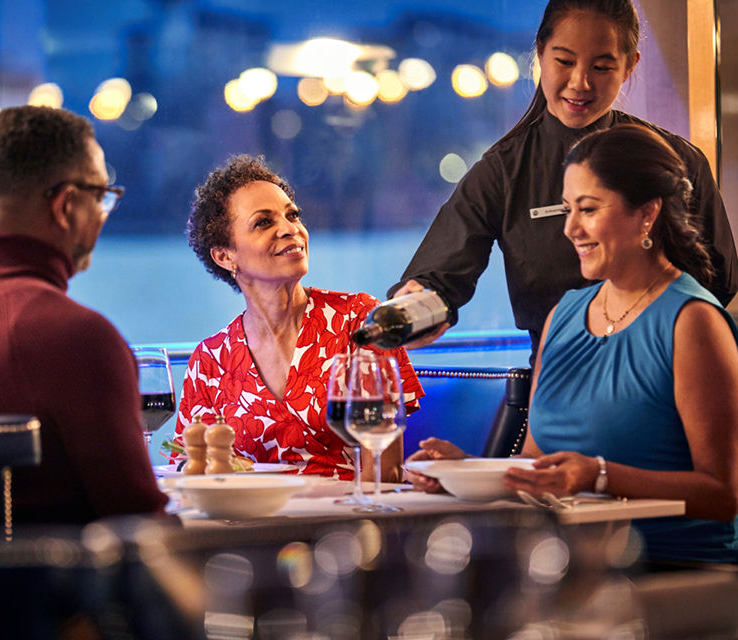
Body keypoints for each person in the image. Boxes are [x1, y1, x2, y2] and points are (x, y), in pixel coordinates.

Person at [408, 124, 738, 563]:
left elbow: (723, 493)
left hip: (673, 569)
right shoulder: (564, 314)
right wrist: (464, 472)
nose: (570, 229)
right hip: (568, 565)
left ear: (647, 213)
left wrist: (599, 476)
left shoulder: (692, 321)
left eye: (588, 209)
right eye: (567, 209)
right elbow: (539, 467)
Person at [389, 0, 738, 360]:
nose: (580, 82)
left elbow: (721, 288)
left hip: (667, 380)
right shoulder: (504, 171)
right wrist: (418, 304)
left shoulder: (678, 160)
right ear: (540, 53)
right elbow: (437, 280)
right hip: (556, 384)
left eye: (602, 66)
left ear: (630, 66)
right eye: (565, 61)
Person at [0, 106, 167, 524]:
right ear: (66, 206)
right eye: (101, 197)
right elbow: (142, 528)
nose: (103, 215)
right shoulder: (81, 339)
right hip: (64, 586)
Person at [175, 155, 424, 481]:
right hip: (249, 526)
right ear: (225, 256)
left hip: (346, 522)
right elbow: (191, 469)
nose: (290, 228)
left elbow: (385, 468)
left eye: (293, 215)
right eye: (264, 222)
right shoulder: (210, 361)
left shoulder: (358, 322)